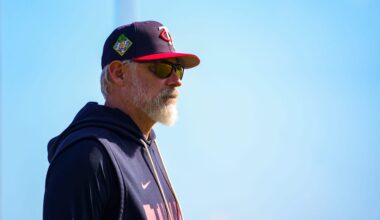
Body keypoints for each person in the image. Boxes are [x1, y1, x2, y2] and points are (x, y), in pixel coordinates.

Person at [43, 20, 200, 220]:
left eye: (178, 69)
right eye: (162, 68)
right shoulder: (86, 154)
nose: (176, 80)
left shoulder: (148, 146)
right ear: (118, 73)